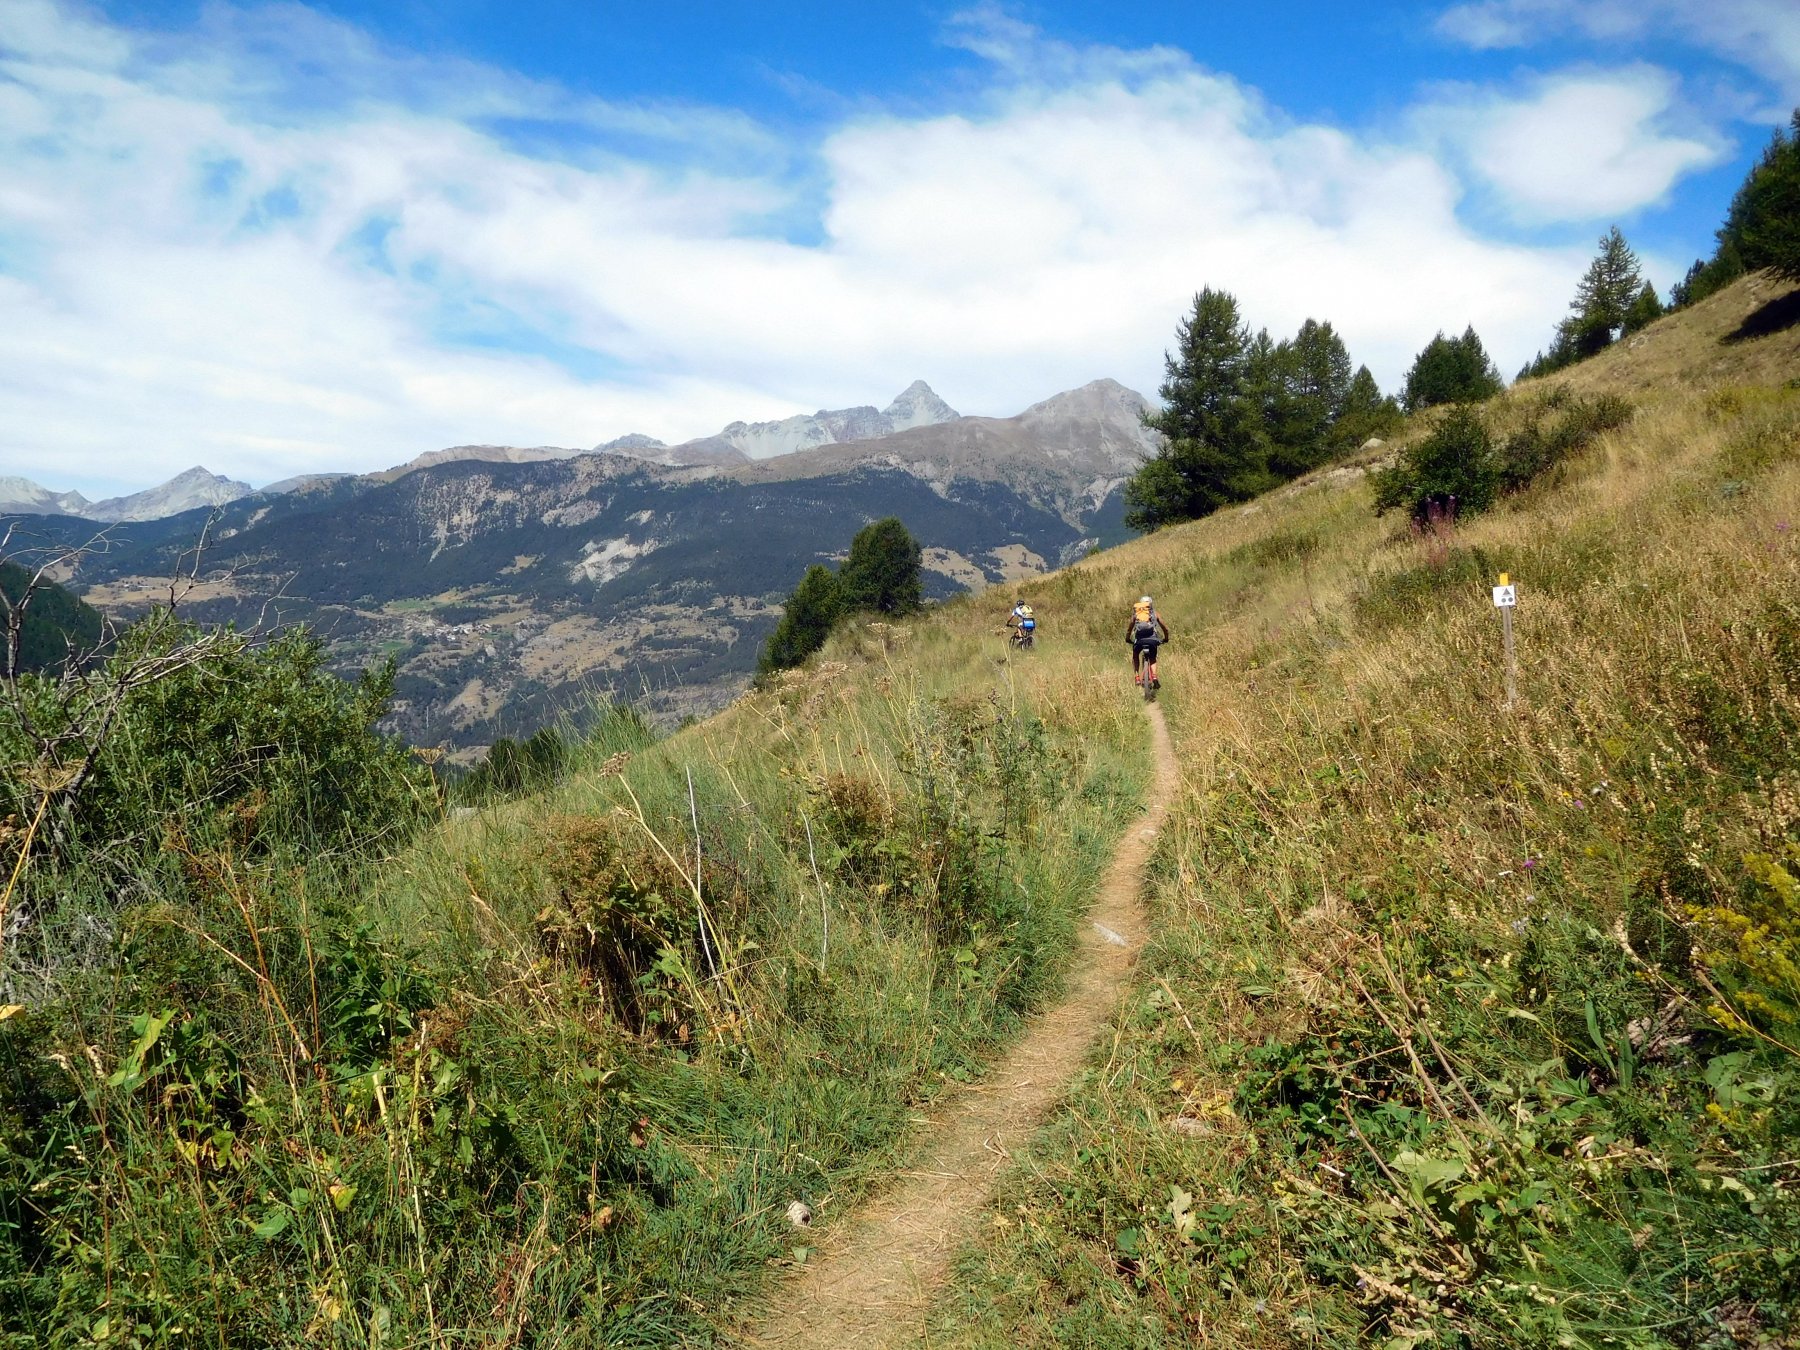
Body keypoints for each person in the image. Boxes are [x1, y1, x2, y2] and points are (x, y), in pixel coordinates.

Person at [1126, 595, 1169, 686]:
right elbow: (1165, 628)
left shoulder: (1136, 615)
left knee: (1135, 655)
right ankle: (1154, 677)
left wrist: (1128, 638)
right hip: (1152, 640)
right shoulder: (1155, 613)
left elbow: (1129, 629)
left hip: (1139, 641)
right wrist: (1166, 638)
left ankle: (1137, 677)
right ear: (1150, 604)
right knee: (1152, 658)